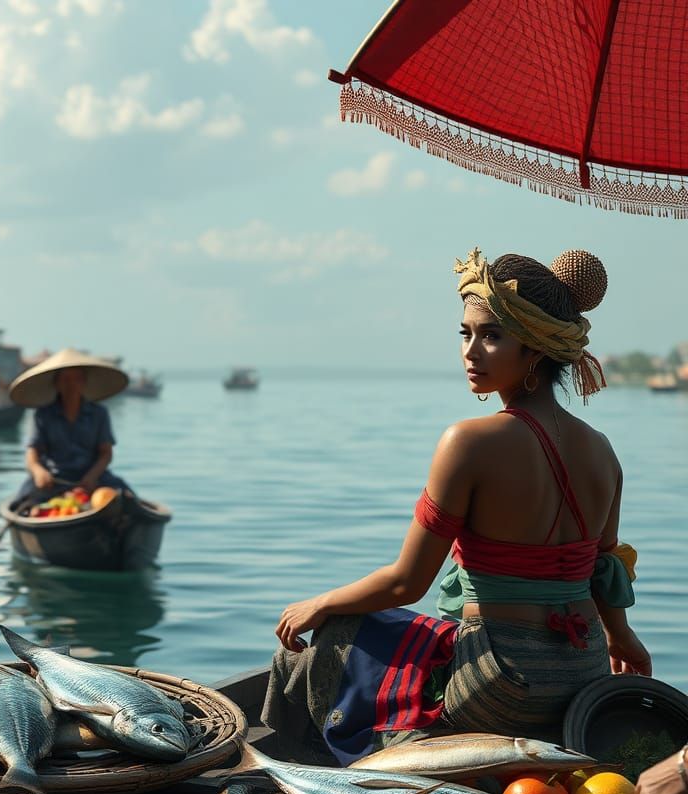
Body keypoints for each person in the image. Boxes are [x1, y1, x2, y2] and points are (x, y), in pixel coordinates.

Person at [264, 247, 649, 766]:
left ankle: (315, 786)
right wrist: (621, 637)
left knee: (335, 634)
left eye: (492, 336)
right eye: (465, 333)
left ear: (536, 349)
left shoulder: (466, 443)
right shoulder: (604, 451)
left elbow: (407, 584)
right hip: (584, 677)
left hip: (498, 681)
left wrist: (320, 604)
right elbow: (605, 570)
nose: (471, 351)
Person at [8, 347, 132, 509]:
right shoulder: (43, 415)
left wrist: (91, 477)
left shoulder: (98, 413)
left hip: (92, 477)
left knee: (129, 501)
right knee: (22, 505)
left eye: (76, 379)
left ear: (84, 382)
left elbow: (105, 453)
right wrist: (39, 471)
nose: (71, 384)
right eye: (66, 379)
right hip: (54, 480)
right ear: (57, 383)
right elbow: (33, 452)